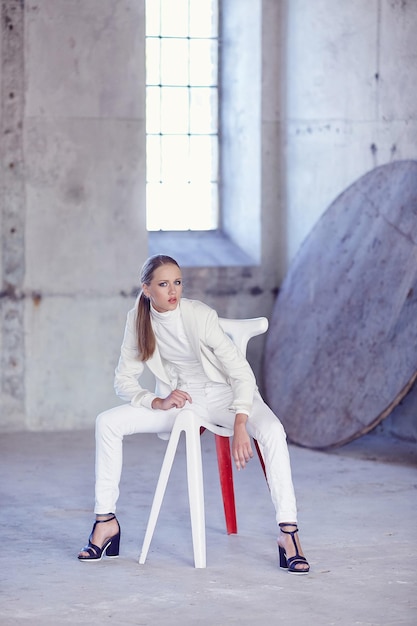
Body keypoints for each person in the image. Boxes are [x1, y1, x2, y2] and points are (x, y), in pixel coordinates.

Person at [78, 254, 309, 574]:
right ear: (146, 289)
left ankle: (289, 534)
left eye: (177, 282)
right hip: (183, 402)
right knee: (107, 422)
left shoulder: (199, 314)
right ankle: (105, 522)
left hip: (227, 395)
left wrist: (242, 420)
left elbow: (240, 371)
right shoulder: (137, 320)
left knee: (272, 431)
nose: (173, 290)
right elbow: (123, 379)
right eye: (163, 284)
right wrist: (154, 401)